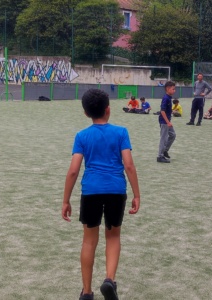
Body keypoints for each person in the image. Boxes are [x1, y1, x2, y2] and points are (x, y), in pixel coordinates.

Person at [61, 89, 141, 300]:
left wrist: (65, 200)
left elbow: (73, 170)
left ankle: (87, 292)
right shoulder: (121, 132)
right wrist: (137, 194)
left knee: (89, 241)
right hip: (116, 190)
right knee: (113, 236)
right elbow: (129, 165)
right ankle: (109, 280)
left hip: (91, 191)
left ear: (86, 113)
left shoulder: (82, 136)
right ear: (108, 109)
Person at [157, 82, 177, 163]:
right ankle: (160, 156)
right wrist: (168, 122)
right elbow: (162, 111)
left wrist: (171, 111)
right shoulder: (166, 98)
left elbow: (167, 110)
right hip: (164, 121)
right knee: (164, 138)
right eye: (173, 89)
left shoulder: (169, 98)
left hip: (167, 121)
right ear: (167, 89)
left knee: (173, 135)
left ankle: (165, 150)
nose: (174, 91)